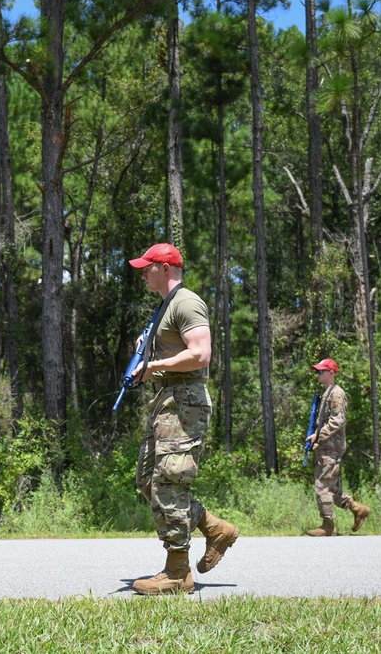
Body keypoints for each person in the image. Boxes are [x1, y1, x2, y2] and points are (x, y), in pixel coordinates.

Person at [127, 243, 239, 595]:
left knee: (169, 482)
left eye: (148, 267)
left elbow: (201, 354)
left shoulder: (186, 302)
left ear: (165, 267)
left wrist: (154, 365)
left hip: (185, 403)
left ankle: (178, 572)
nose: (143, 272)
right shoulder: (164, 307)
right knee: (149, 481)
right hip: (166, 400)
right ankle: (214, 527)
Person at [304, 358, 371, 536]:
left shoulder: (336, 394)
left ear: (331, 373)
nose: (318, 374)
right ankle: (357, 508)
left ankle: (328, 526)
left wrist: (318, 436)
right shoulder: (326, 393)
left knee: (322, 486)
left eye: (321, 371)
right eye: (317, 371)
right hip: (325, 445)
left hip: (331, 446)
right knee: (329, 487)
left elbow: (337, 421)